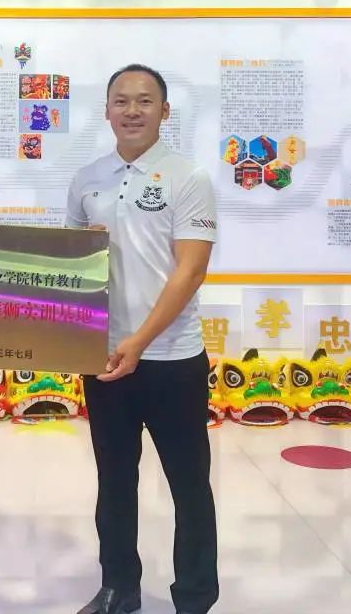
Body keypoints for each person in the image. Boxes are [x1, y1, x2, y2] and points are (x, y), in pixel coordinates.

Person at [66, 64, 219, 614]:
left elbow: (190, 270)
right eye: (122, 101)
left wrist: (141, 340)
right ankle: (118, 588)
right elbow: (73, 265)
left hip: (172, 358)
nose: (132, 110)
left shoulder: (188, 177)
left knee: (188, 484)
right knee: (113, 480)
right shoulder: (87, 179)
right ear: (107, 110)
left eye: (145, 101)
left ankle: (195, 597)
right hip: (105, 358)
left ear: (165, 111)